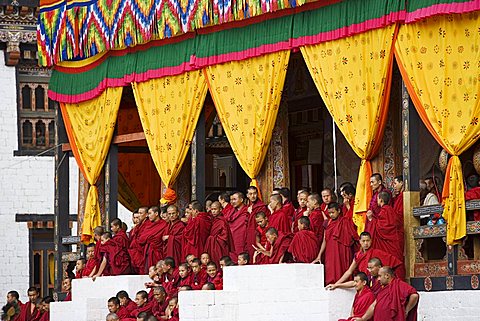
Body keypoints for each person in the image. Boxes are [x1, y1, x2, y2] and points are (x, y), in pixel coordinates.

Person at [326, 232, 404, 288]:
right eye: (363, 241)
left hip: (376, 283)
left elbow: (395, 264)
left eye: (368, 241)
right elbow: (349, 271)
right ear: (360, 242)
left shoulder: (377, 253)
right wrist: (336, 284)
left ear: (371, 241)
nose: (366, 243)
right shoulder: (358, 255)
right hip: (364, 282)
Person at [313, 202, 358, 285]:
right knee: (331, 271)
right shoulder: (327, 223)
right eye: (329, 213)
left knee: (342, 268)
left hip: (343, 251)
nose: (331, 215)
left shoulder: (345, 221)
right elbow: (324, 240)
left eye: (333, 212)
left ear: (339, 211)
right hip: (330, 252)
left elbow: (354, 238)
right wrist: (319, 255)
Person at [353, 267, 419, 321]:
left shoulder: (399, 285)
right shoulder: (383, 289)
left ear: (387, 275)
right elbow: (373, 305)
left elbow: (414, 295)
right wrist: (363, 319)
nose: (378, 279)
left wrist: (407, 310)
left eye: (379, 276)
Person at [367, 191, 403, 264]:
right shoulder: (391, 210)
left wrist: (371, 219)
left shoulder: (384, 211)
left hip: (388, 243)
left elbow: (383, 228)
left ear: (381, 200)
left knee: (390, 262)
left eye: (377, 199)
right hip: (394, 242)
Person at [140, 206, 169, 274]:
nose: (148, 216)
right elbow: (141, 239)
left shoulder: (164, 224)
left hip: (158, 252)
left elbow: (162, 239)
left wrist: (150, 238)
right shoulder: (148, 225)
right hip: (148, 252)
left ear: (156, 213)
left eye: (150, 213)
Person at [245, 186, 267, 257]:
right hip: (249, 234)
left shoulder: (261, 206)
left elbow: (262, 222)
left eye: (254, 193)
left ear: (257, 194)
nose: (253, 196)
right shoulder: (247, 206)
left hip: (258, 234)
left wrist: (251, 213)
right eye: (250, 194)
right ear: (247, 195)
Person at [128, 207, 150, 274]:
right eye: (134, 218)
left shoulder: (148, 224)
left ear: (146, 215)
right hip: (135, 252)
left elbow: (143, 238)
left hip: (142, 251)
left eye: (140, 214)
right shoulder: (136, 228)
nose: (136, 219)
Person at [392, 175, 405, 255]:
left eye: (395, 183)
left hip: (401, 227)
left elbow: (400, 214)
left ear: (401, 183)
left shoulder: (403, 196)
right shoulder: (398, 197)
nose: (394, 186)